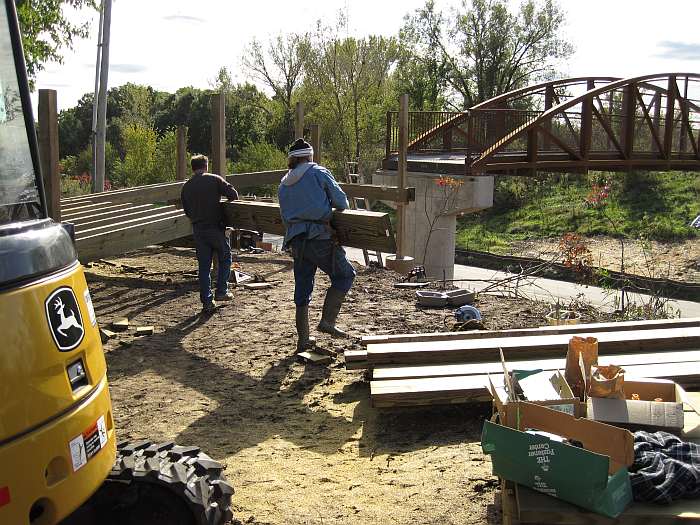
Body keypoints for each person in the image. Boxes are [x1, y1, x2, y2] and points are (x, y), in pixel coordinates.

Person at [279, 138, 356, 352]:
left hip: (296, 241)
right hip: (319, 238)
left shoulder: (284, 182)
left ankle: (303, 340)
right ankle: (327, 322)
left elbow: (285, 216)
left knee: (302, 288)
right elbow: (342, 203)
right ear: (309, 156)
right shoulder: (318, 172)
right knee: (345, 275)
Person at [181, 154, 239, 313]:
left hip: (199, 230)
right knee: (226, 257)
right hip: (216, 227)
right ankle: (221, 291)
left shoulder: (187, 186)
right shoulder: (215, 179)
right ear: (206, 166)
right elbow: (233, 195)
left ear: (193, 168)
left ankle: (207, 301)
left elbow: (187, 210)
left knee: (204, 267)